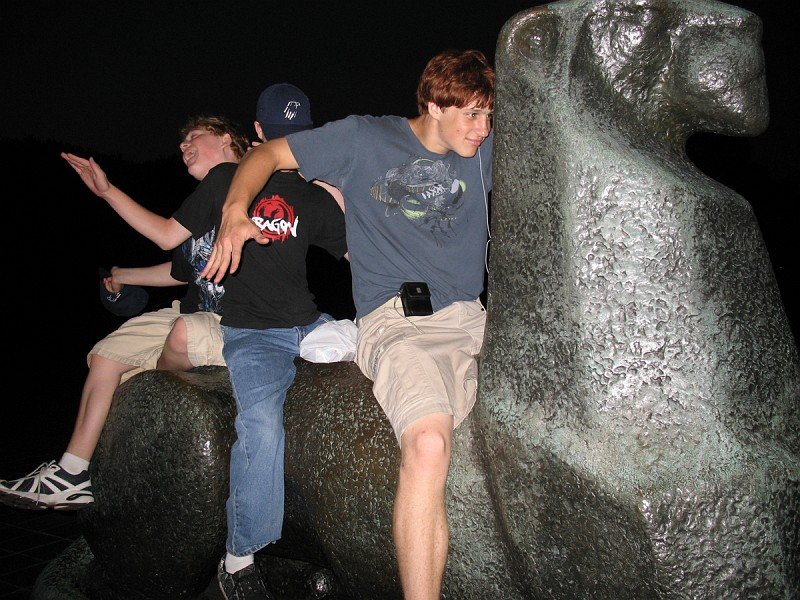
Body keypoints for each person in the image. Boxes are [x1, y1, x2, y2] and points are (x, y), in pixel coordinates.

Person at [202, 50, 494, 600]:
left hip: (476, 320)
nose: (482, 129)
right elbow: (267, 153)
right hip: (401, 323)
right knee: (429, 443)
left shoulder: (480, 153)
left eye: (488, 115)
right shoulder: (364, 138)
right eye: (472, 115)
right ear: (434, 104)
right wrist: (235, 212)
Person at [0, 115, 249, 510]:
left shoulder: (235, 179)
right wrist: (123, 275)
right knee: (106, 356)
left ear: (224, 138)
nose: (183, 145)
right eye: (182, 140)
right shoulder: (207, 197)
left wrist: (108, 191)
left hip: (236, 319)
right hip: (192, 308)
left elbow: (166, 234)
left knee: (166, 353)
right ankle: (71, 472)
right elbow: (182, 270)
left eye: (194, 136)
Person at [214, 83, 348, 600]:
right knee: (262, 423)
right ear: (258, 131)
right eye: (280, 134)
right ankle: (238, 557)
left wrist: (342, 194)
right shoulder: (230, 183)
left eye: (299, 136)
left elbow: (361, 256)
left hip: (308, 323)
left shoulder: (313, 197)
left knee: (380, 352)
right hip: (253, 332)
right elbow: (172, 236)